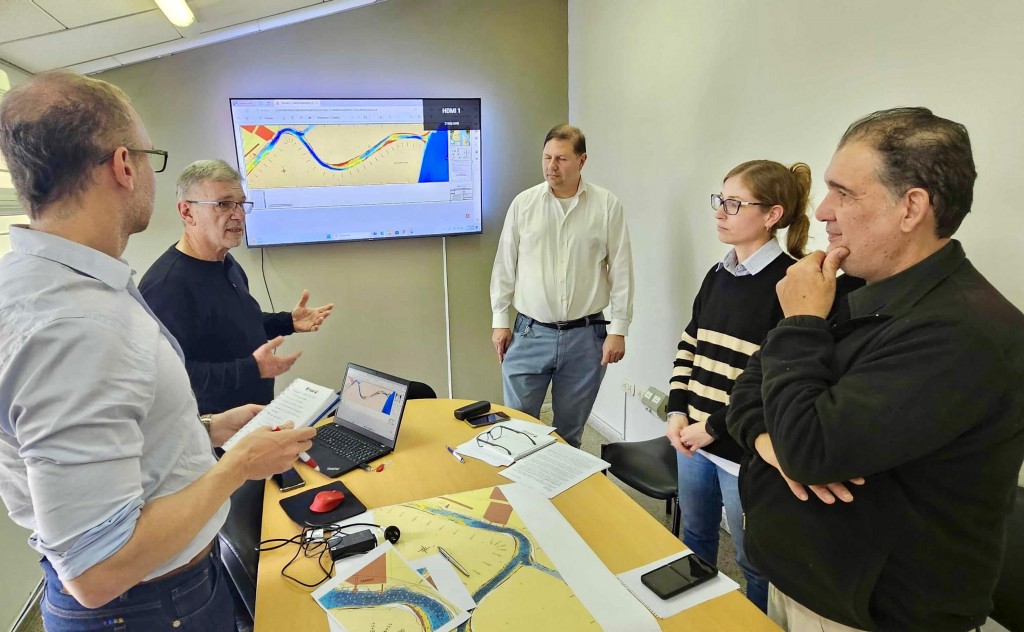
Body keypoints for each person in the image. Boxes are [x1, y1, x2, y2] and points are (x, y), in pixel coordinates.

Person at [0, 71, 316, 631]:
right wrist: (238, 463)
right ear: (124, 165)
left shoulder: (66, 284)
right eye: (150, 156)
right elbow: (96, 570)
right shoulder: (75, 324)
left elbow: (127, 418)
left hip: (166, 592)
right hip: (147, 609)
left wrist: (208, 429)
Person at [727, 107, 1024, 631]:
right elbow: (748, 391)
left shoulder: (967, 332)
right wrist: (767, 442)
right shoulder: (848, 288)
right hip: (797, 583)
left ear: (911, 207)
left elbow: (810, 448)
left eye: (844, 193)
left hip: (869, 616)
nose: (822, 211)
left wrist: (798, 322)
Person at [665, 160, 817, 612]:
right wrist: (676, 410)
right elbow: (690, 342)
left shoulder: (790, 285)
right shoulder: (717, 275)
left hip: (741, 452)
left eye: (734, 204)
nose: (720, 212)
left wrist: (711, 428)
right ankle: (697, 616)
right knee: (695, 535)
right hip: (692, 438)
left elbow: (774, 381)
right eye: (720, 200)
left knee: (753, 560)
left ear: (772, 215)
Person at [139, 159, 334, 414]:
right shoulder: (167, 285)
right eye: (223, 204)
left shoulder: (227, 263)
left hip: (251, 422)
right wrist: (253, 369)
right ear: (187, 212)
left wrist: (288, 322)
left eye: (241, 204)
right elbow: (170, 373)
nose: (239, 215)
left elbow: (235, 325)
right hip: (211, 435)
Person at [489, 124, 634, 448]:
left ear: (582, 161)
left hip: (586, 337)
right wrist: (500, 321)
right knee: (517, 430)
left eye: (562, 159)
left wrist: (619, 329)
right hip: (530, 333)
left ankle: (560, 497)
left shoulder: (606, 206)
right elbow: (504, 266)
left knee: (569, 434)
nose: (552, 167)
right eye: (547, 157)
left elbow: (621, 270)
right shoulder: (524, 204)